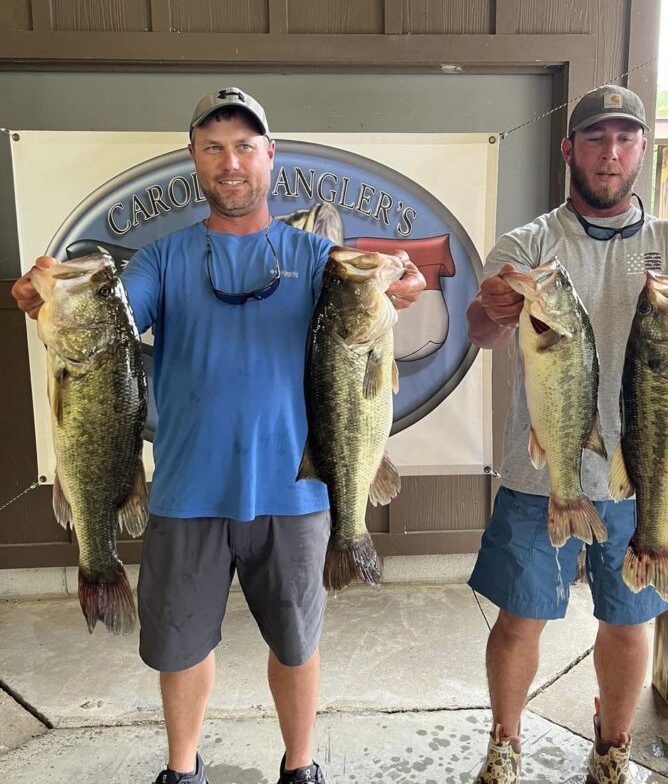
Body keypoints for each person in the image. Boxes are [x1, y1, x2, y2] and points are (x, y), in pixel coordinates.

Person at [12, 86, 426, 784]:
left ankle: (301, 767)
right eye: (213, 148)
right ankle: (182, 771)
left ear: (270, 156)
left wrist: (396, 290)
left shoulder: (316, 257)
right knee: (179, 646)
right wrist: (43, 299)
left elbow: (364, 337)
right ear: (194, 160)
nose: (230, 163)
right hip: (185, 490)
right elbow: (107, 325)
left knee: (297, 645)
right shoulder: (159, 260)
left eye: (243, 147)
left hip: (295, 494)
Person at [465, 85, 668, 784]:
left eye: (624, 139)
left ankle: (613, 744)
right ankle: (506, 742)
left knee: (629, 624)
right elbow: (482, 330)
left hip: (648, 474)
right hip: (543, 475)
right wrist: (495, 310)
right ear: (570, 150)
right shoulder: (531, 242)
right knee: (519, 621)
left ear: (642, 152)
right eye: (595, 139)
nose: (610, 153)